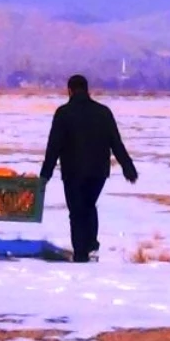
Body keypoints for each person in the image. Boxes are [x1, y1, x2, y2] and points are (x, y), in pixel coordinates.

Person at [40, 74, 138, 263]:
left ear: (69, 90)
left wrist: (46, 174)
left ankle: (81, 253)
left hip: (72, 171)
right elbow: (115, 142)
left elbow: (54, 146)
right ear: (87, 90)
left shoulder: (63, 113)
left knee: (76, 211)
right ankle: (91, 245)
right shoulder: (103, 112)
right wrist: (128, 167)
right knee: (89, 206)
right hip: (98, 172)